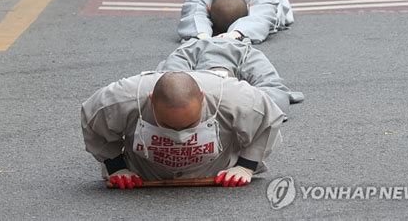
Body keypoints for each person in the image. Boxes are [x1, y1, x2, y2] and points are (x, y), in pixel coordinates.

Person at [81, 69, 285, 187]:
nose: (179, 136)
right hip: (145, 171)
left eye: (189, 125)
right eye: (168, 126)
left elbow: (269, 120)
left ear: (203, 98)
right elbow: (93, 123)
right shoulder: (121, 99)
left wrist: (246, 166)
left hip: (216, 168)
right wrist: (116, 167)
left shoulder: (235, 97)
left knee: (279, 97)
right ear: (151, 100)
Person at [156, 38, 304, 117]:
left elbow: (277, 96)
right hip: (194, 46)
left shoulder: (248, 55)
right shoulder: (183, 56)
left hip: (234, 43)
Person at [177, 0, 294, 43]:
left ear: (208, 8)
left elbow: (193, 12)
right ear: (250, 8)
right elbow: (262, 18)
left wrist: (202, 35)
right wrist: (235, 34)